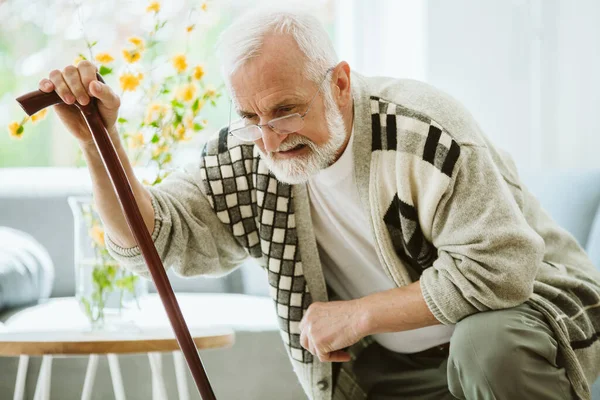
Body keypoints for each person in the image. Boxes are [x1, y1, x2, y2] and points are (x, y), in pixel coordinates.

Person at [39, 7, 600, 400]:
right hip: (393, 365)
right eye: (250, 116)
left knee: (485, 349)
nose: (270, 137)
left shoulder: (423, 130)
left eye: (285, 109)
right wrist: (98, 141)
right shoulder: (250, 152)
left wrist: (358, 314)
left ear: (338, 83)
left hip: (530, 314)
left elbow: (500, 271)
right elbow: (152, 241)